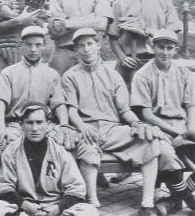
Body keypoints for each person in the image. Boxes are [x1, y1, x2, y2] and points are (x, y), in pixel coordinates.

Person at [61, 27, 180, 215]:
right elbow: (71, 110)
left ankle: (147, 204)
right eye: (81, 46)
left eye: (90, 44)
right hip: (87, 129)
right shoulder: (70, 76)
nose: (86, 49)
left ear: (98, 46)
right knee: (87, 148)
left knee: (149, 142)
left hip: (112, 130)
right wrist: (82, 126)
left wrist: (137, 123)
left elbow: (124, 110)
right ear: (75, 50)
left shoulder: (113, 75)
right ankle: (92, 202)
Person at [0, 102, 99, 216]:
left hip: (54, 206)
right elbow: (4, 186)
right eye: (29, 123)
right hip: (23, 208)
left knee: (89, 212)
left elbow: (76, 187)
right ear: (21, 125)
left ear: (47, 125)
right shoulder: (11, 151)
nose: (34, 128)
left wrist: (59, 207)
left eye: (39, 122)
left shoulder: (59, 151)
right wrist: (24, 204)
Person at [131, 29, 195, 214]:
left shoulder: (184, 73)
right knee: (166, 156)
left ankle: (175, 200)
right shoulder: (142, 75)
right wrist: (177, 134)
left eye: (169, 48)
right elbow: (146, 115)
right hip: (157, 128)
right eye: (160, 47)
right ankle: (189, 200)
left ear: (176, 50)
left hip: (181, 125)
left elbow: (190, 105)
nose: (164, 52)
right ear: (153, 47)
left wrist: (190, 130)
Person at [107, 0, 182, 89]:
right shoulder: (121, 2)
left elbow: (173, 34)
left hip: (156, 60)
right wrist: (122, 58)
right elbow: (112, 37)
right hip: (130, 63)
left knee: (157, 102)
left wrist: (146, 31)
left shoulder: (163, 1)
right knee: (128, 104)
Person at [0, 26, 72, 150]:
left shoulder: (51, 74)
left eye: (38, 45)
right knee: (7, 145)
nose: (33, 49)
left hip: (43, 125)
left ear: (44, 45)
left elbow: (59, 103)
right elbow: (1, 101)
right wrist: (1, 128)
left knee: (61, 143)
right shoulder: (9, 72)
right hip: (16, 125)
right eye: (28, 45)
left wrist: (64, 125)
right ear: (21, 45)